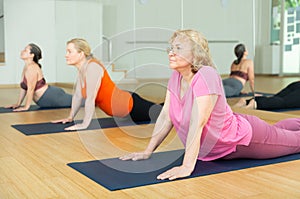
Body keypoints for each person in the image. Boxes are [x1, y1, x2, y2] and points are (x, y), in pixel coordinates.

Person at [120, 29, 300, 181]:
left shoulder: (206, 75)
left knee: (294, 142)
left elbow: (197, 122)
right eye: (171, 48)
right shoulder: (176, 77)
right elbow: (166, 115)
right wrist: (147, 151)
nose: (171, 52)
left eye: (179, 48)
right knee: (279, 130)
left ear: (196, 54)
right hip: (218, 149)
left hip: (241, 140)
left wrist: (187, 166)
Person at [52, 38, 163, 130]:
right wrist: (70, 117)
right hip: (124, 110)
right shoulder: (82, 70)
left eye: (69, 52)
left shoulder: (92, 68)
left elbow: (90, 99)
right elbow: (77, 96)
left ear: (81, 54)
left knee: (164, 113)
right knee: (163, 109)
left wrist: (84, 124)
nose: (66, 55)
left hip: (131, 106)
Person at [5, 43, 72, 111]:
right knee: (79, 100)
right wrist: (18, 104)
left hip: (51, 96)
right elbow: (24, 87)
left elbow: (31, 89)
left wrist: (26, 107)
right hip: (45, 98)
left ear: (32, 55)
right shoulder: (27, 66)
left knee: (79, 101)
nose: (22, 51)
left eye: (25, 50)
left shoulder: (32, 67)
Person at [235, 81, 300, 110]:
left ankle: (246, 101)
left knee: (276, 98)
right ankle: (255, 103)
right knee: (283, 102)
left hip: (296, 84)